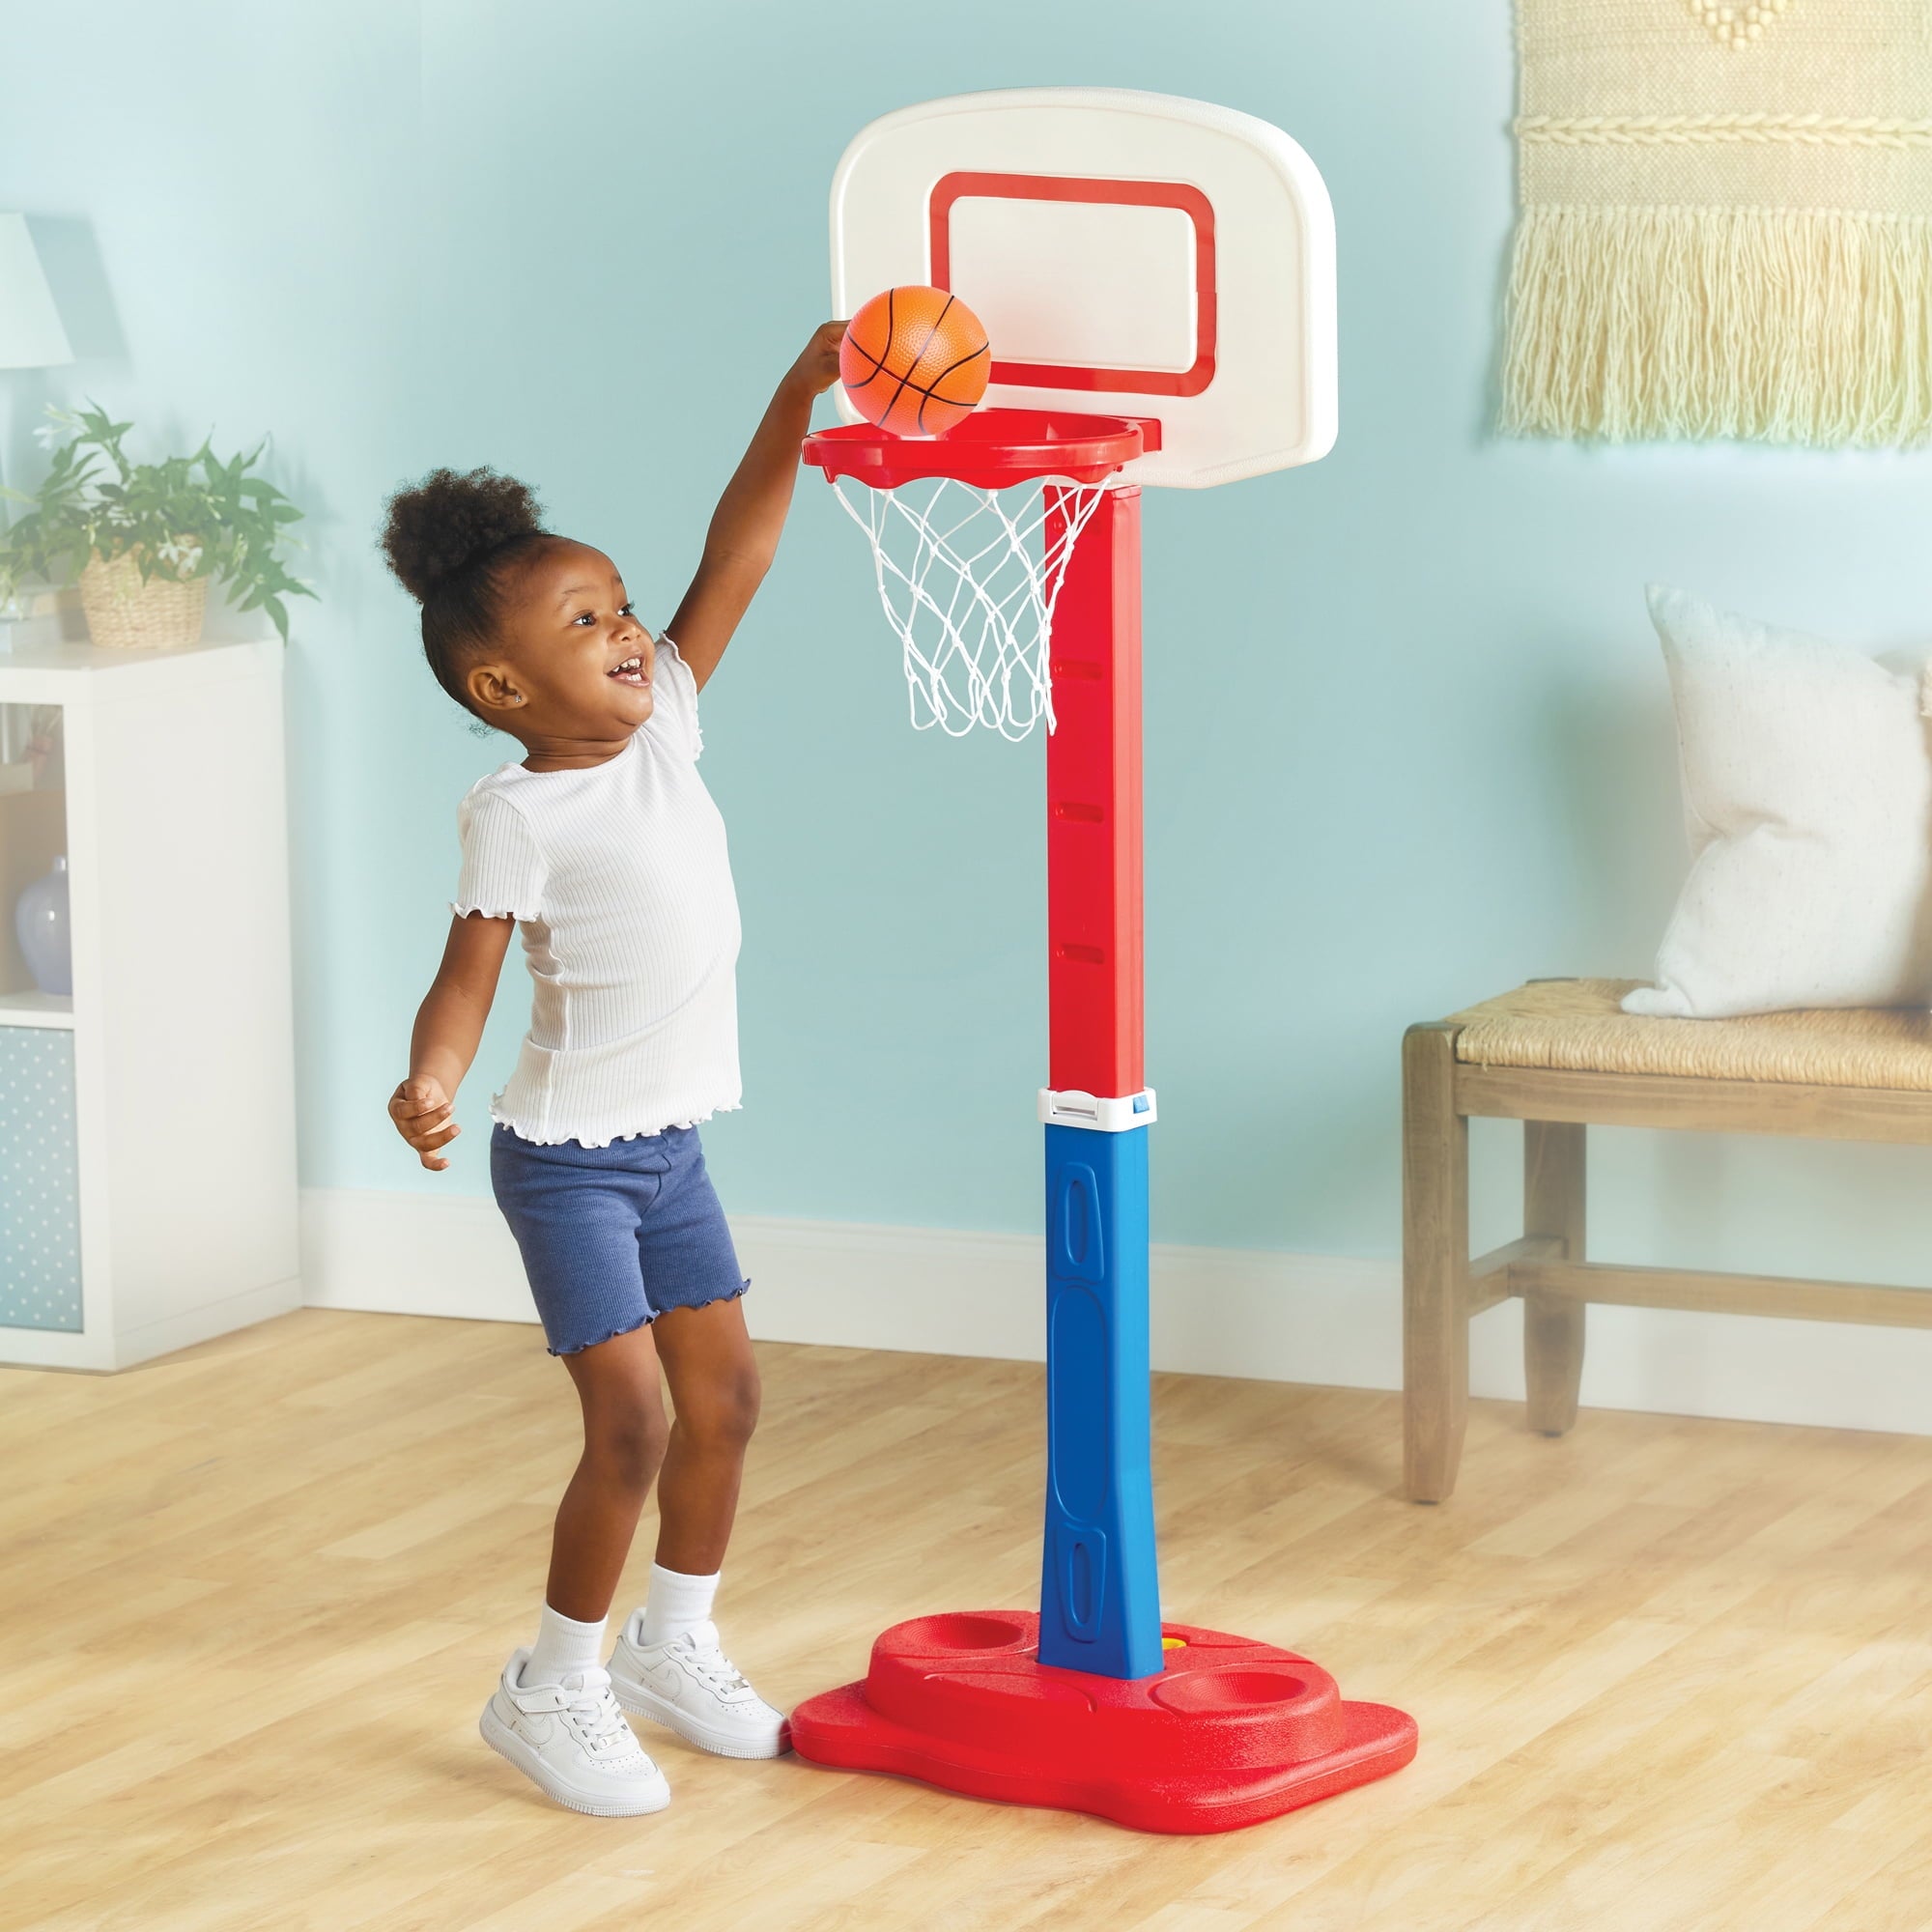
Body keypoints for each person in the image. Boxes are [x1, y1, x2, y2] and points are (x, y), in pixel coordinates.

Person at [379, 322, 844, 1816]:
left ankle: (672, 1644)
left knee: (730, 1405)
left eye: (625, 605)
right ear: (506, 688)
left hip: (671, 1146)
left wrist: (796, 393)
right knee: (632, 1421)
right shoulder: (516, 811)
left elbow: (745, 551)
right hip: (569, 1162)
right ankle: (550, 1685)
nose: (633, 631)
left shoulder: (667, 735)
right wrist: (430, 1082)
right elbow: (467, 979)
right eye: (588, 623)